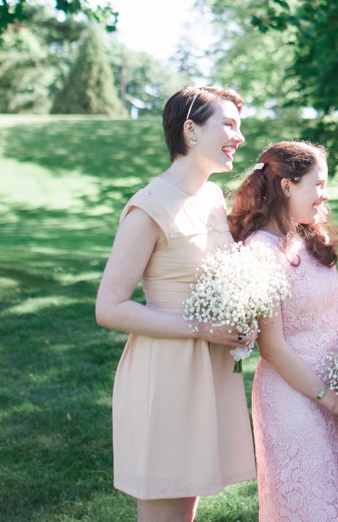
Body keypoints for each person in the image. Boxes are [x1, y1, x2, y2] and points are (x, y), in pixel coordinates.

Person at [94, 86, 253, 522]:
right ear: (190, 130)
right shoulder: (148, 207)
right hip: (164, 375)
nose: (239, 136)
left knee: (185, 513)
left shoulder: (213, 199)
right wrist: (202, 328)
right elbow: (109, 308)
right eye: (229, 124)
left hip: (210, 370)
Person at [228, 141, 338, 522]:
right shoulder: (259, 252)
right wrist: (332, 400)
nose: (325, 194)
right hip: (294, 400)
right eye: (318, 183)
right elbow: (272, 347)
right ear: (287, 186)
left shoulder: (309, 240)